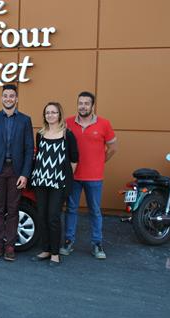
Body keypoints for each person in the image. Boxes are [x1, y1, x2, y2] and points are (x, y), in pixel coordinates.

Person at [61, 91, 117, 259]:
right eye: (80, 103)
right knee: (71, 209)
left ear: (93, 106)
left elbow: (113, 148)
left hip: (94, 177)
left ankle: (97, 244)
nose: (83, 106)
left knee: (95, 211)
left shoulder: (104, 124)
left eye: (86, 103)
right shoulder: (68, 123)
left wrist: (100, 162)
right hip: (74, 176)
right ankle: (68, 241)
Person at [0, 84, 34, 262]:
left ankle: (10, 247)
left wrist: (25, 174)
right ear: (1, 98)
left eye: (12, 96)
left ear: (16, 99)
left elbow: (29, 149)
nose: (8, 99)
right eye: (5, 96)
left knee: (13, 210)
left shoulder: (25, 120)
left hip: (16, 171)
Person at [30, 102, 78, 266]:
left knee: (53, 217)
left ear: (59, 115)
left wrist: (65, 177)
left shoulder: (67, 134)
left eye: (54, 112)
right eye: (47, 113)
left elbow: (74, 159)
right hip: (40, 180)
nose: (50, 115)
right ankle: (46, 249)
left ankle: (55, 254)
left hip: (58, 182)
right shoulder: (40, 133)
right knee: (42, 216)